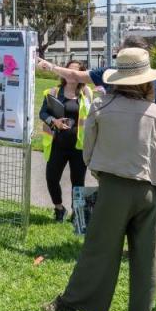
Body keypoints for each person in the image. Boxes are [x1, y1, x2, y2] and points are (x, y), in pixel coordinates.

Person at [44, 48, 156, 311]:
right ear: (147, 80)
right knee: (147, 260)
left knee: (99, 250)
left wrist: (102, 172)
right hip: (151, 191)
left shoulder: (101, 106)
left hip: (114, 186)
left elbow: (87, 151)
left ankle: (73, 301)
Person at [37, 35, 156, 263]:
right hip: (119, 151)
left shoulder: (152, 84)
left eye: (120, 51)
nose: (116, 54)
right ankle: (133, 247)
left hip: (140, 148)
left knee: (150, 195)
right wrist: (50, 66)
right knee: (130, 198)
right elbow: (75, 78)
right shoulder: (110, 74)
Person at [39, 59, 93, 221]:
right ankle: (59, 208)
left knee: (78, 182)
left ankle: (77, 214)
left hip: (79, 146)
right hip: (58, 144)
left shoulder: (86, 93)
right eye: (69, 70)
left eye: (76, 72)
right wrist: (53, 121)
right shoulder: (53, 92)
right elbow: (42, 113)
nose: (71, 74)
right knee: (51, 178)